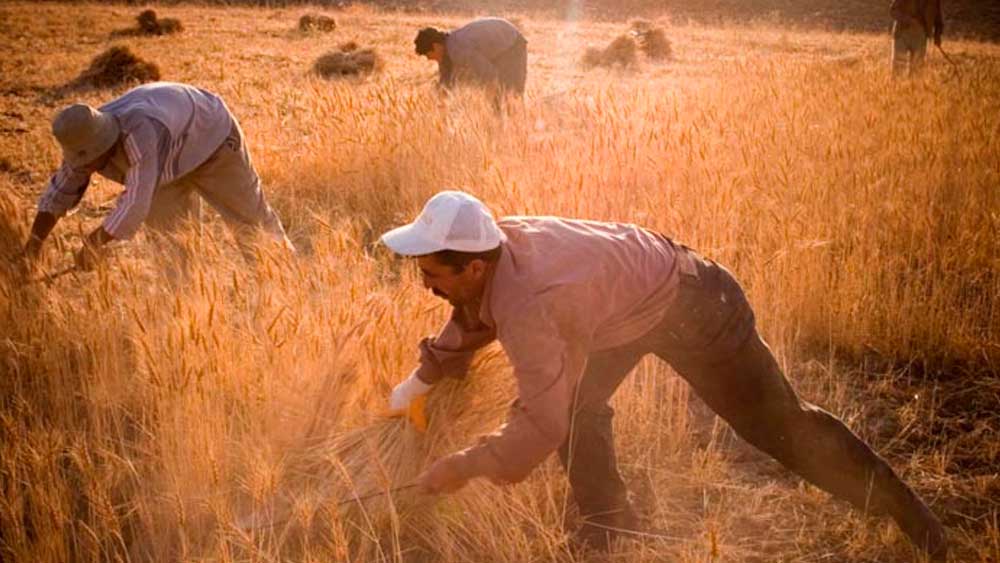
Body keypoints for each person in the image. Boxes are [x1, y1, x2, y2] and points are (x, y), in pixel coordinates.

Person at [383, 191, 948, 559]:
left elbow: (538, 423)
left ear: (474, 263)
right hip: (625, 310)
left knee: (776, 428)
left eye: (431, 272)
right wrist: (419, 383)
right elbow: (476, 313)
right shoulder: (496, 250)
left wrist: (463, 465)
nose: (426, 284)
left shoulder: (534, 301)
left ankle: (915, 520)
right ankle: (611, 526)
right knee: (580, 405)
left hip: (698, 304)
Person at [23, 81, 293, 271]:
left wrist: (96, 242)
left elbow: (136, 201)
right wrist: (33, 247)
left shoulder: (141, 131)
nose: (87, 167)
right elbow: (59, 193)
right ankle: (184, 315)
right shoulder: (81, 139)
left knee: (251, 221)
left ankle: (286, 284)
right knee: (170, 246)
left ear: (105, 144)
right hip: (163, 166)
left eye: (91, 160)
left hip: (212, 138)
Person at [414, 18, 527, 99]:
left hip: (512, 44)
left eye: (428, 55)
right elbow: (446, 81)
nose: (429, 59)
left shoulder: (459, 50)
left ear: (435, 46)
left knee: (511, 93)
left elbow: (489, 74)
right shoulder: (447, 49)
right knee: (498, 98)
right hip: (498, 46)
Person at [890, 0, 944, 75]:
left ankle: (913, 86)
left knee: (916, 70)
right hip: (902, 33)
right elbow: (893, 10)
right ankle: (896, 86)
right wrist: (909, 20)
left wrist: (937, 36)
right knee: (898, 68)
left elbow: (938, 19)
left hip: (921, 35)